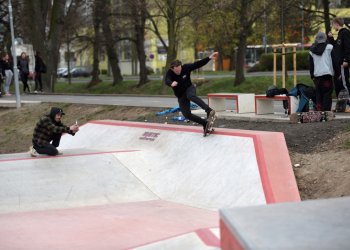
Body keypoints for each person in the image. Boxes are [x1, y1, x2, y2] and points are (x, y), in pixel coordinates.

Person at [165, 52, 218, 133]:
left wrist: (209, 58)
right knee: (186, 114)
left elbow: (197, 64)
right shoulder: (169, 72)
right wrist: (171, 83)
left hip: (189, 88)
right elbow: (167, 80)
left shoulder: (185, 67)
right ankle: (204, 123)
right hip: (181, 95)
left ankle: (208, 110)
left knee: (190, 96)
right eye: (177, 71)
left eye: (180, 69)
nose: (179, 71)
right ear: (172, 69)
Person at [309, 31, 335, 111]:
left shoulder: (311, 50)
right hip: (327, 74)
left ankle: (319, 110)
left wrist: (312, 76)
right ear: (325, 38)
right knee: (327, 93)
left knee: (319, 93)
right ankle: (326, 111)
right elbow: (334, 60)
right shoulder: (330, 47)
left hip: (317, 75)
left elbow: (311, 64)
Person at [327, 17, 350, 104]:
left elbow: (348, 47)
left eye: (333, 24)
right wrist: (331, 38)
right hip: (339, 65)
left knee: (345, 84)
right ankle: (343, 104)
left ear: (337, 24)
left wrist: (346, 60)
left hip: (343, 63)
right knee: (341, 84)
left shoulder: (345, 33)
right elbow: (337, 47)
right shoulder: (340, 34)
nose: (333, 27)